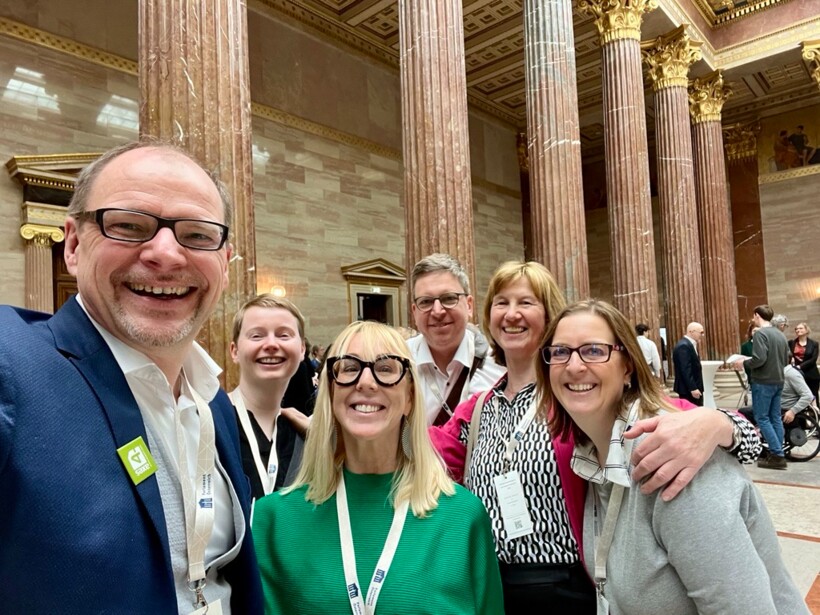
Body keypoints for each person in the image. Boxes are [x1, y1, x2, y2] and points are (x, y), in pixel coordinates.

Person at [0, 142, 263, 613]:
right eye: (127, 225)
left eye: (198, 235)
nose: (165, 254)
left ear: (224, 264)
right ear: (74, 246)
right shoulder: (11, 364)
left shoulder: (214, 405)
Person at [430, 262, 760, 613]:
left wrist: (714, 423)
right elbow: (422, 456)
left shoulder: (576, 396)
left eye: (525, 302)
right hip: (494, 584)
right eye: (501, 302)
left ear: (549, 315)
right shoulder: (479, 409)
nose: (512, 314)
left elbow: (684, 416)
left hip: (569, 584)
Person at [538, 299, 808, 615]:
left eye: (594, 350)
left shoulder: (672, 455)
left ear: (627, 366)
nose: (573, 365)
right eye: (560, 352)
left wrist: (720, 422)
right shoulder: (590, 458)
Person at [252, 321, 503, 614]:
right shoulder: (274, 522)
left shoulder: (463, 517)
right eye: (348, 368)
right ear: (330, 394)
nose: (366, 382)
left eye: (386, 369)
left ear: (410, 397)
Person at [229, 294, 312, 501]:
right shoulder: (207, 421)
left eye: (284, 335)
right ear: (234, 351)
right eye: (257, 336)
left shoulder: (307, 436)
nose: (272, 344)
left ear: (302, 349)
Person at [406, 253, 505, 425]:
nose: (437, 311)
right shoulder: (398, 364)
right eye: (426, 302)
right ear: (414, 311)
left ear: (469, 305)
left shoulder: (499, 368)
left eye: (449, 298)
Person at [734, 305, 791, 469]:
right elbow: (786, 358)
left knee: (762, 418)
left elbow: (759, 359)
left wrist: (743, 362)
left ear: (757, 315)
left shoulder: (761, 334)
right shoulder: (780, 335)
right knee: (774, 417)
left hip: (763, 381)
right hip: (778, 380)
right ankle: (779, 451)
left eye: (754, 316)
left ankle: (777, 455)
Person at [672, 322, 705, 406]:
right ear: (691, 331)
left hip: (692, 387)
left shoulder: (689, 344)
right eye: (700, 332)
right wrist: (693, 388)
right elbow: (685, 369)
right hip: (688, 389)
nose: (702, 335)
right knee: (693, 412)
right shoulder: (684, 346)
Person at [790, 322, 819, 404]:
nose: (798, 330)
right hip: (796, 375)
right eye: (796, 329)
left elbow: (813, 359)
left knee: (813, 396)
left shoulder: (814, 344)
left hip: (811, 374)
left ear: (806, 330)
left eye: (800, 328)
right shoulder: (792, 343)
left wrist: (800, 366)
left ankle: (815, 415)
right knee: (799, 397)